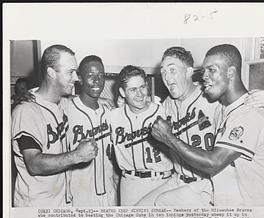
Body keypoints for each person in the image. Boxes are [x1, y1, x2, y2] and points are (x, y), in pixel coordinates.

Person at [136, 46, 264, 206]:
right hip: (180, 179)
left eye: (172, 70)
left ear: (189, 72)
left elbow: (243, 107)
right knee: (141, 210)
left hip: (207, 183)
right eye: (163, 72)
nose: (166, 76)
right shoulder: (167, 105)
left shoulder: (211, 98)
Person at [11, 45, 98, 207]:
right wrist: (76, 155)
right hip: (36, 207)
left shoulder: (62, 101)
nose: (76, 78)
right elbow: (34, 163)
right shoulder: (26, 111)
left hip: (61, 201)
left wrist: (106, 101)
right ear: (51, 73)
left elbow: (76, 100)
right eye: (69, 72)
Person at [108, 65, 174, 206]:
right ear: (122, 92)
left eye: (142, 87)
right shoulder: (112, 117)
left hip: (161, 181)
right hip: (130, 184)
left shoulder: (163, 112)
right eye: (133, 89)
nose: (140, 94)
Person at [65, 55, 118, 206]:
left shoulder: (110, 111)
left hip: (109, 194)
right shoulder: (66, 108)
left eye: (100, 75)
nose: (97, 81)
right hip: (79, 196)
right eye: (90, 76)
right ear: (80, 79)